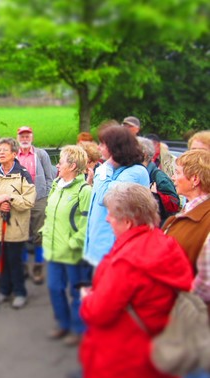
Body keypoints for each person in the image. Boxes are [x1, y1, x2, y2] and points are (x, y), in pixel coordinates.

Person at [80, 183, 192, 378]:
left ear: (128, 221)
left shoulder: (127, 262)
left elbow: (98, 312)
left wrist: (88, 298)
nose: (107, 219)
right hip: (155, 350)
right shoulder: (165, 242)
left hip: (125, 360)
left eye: (111, 215)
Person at [161, 150, 210, 378]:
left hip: (197, 326)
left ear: (195, 180)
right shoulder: (190, 210)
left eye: (178, 173)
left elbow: (207, 285)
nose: (173, 177)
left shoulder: (206, 218)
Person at [42, 145, 92, 346]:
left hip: (72, 253)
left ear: (72, 166)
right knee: (54, 288)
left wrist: (73, 243)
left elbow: (87, 224)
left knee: (76, 292)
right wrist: (44, 233)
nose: (57, 165)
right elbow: (51, 215)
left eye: (60, 162)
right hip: (53, 251)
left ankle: (78, 329)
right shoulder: (56, 184)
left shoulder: (84, 190)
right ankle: (63, 324)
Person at [0, 138, 36, 309]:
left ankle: (20, 293)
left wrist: (9, 199)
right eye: (0, 150)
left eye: (5, 150)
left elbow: (29, 201)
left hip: (15, 227)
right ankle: (4, 290)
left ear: (14, 154)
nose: (1, 153)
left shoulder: (22, 173)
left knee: (15, 261)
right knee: (1, 261)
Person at [83, 125, 150, 270]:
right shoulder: (113, 169)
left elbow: (104, 198)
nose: (99, 147)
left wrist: (105, 166)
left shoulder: (135, 172)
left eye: (102, 144)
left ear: (115, 147)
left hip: (117, 253)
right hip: (102, 251)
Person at [16, 126, 54, 285]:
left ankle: (38, 266)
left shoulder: (41, 154)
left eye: (27, 136)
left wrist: (46, 196)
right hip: (20, 200)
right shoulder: (14, 155)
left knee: (39, 234)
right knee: (21, 234)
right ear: (18, 138)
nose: (25, 139)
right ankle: (23, 266)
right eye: (22, 136)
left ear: (31, 137)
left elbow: (49, 177)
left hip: (39, 199)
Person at [137, 137, 180, 225]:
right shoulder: (136, 173)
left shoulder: (159, 176)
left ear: (144, 155)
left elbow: (175, 203)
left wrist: (155, 195)